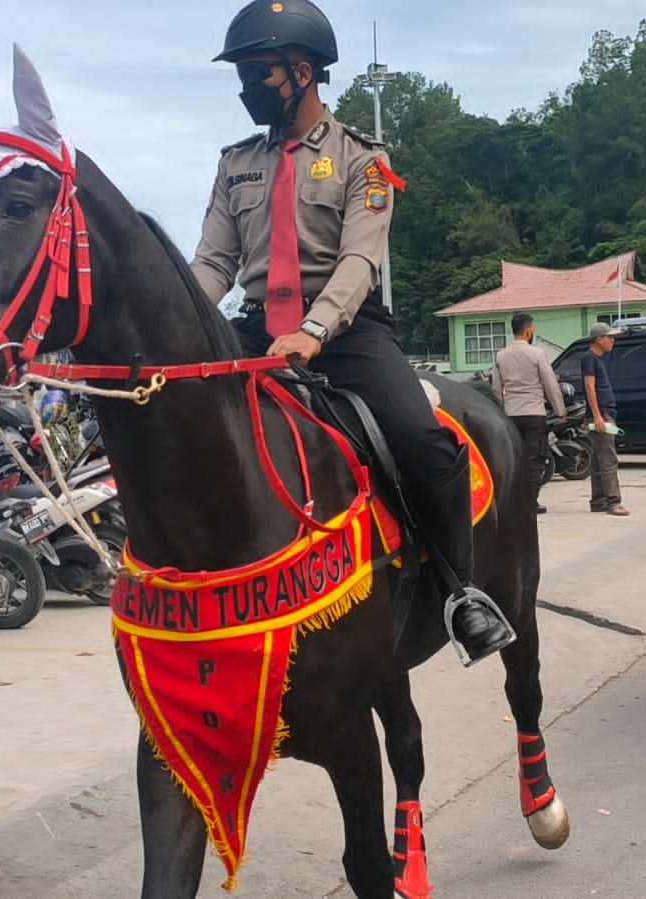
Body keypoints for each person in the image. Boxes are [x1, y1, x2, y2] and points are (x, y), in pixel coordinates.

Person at [190, 0, 512, 663]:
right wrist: (182, 332)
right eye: (243, 74)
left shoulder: (362, 159)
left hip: (346, 331)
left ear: (300, 72)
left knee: (423, 441)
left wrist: (312, 330)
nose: (246, 88)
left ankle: (461, 591)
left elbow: (359, 261)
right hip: (256, 330)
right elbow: (214, 262)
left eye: (257, 73)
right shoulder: (236, 164)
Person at [491, 312, 566, 514]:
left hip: (510, 414)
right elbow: (550, 384)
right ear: (528, 330)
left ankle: (514, 502)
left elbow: (496, 389)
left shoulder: (500, 355)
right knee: (535, 459)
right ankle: (529, 502)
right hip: (533, 413)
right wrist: (560, 411)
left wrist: (500, 413)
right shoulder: (537, 354)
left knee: (515, 459)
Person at [581, 323, 627, 516]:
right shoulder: (589, 358)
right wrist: (598, 416)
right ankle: (613, 502)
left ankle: (598, 501)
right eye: (609, 337)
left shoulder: (598, 359)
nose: (612, 341)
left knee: (600, 460)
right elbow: (590, 387)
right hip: (601, 414)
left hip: (605, 412)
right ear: (599, 339)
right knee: (608, 459)